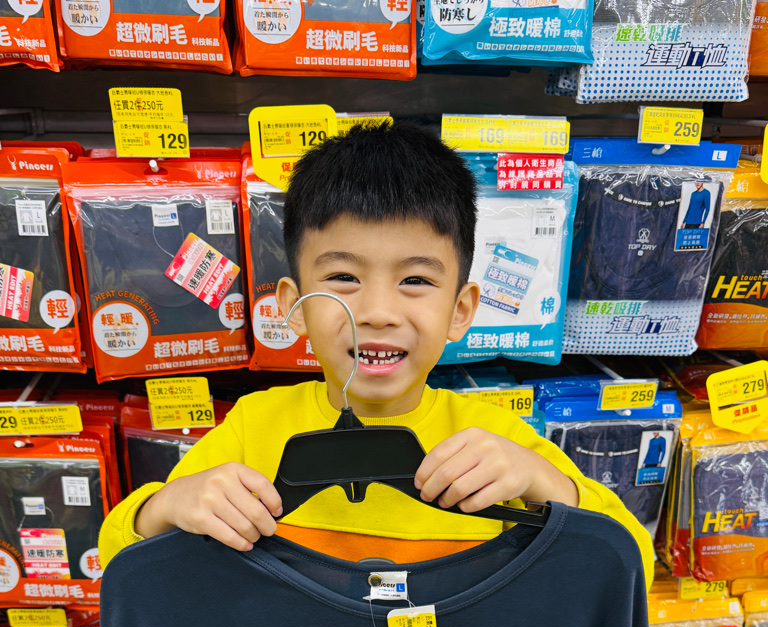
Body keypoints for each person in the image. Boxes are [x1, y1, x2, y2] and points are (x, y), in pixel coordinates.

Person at [98, 121, 653, 586]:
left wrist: (546, 485)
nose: (378, 312)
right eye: (343, 277)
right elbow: (117, 559)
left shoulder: (497, 444)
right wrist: (165, 508)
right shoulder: (252, 429)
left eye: (416, 280)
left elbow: (632, 564)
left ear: (461, 310)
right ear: (294, 306)